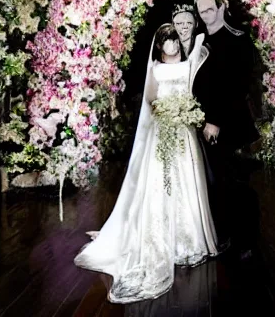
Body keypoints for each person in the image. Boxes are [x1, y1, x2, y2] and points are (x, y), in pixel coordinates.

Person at [74, 24, 218, 304]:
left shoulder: (188, 64)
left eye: (173, 39)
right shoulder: (155, 68)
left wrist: (185, 110)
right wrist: (164, 111)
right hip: (163, 129)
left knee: (187, 182)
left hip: (183, 132)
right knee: (161, 184)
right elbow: (151, 98)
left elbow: (200, 62)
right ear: (159, 45)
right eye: (165, 40)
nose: (170, 44)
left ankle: (189, 240)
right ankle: (161, 240)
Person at [193, 0, 260, 256]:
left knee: (235, 184)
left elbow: (238, 86)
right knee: (212, 184)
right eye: (202, 10)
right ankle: (223, 235)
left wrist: (216, 121)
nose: (206, 15)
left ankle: (246, 241)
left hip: (228, 125)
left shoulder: (238, 39)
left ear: (222, 8)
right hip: (201, 123)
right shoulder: (198, 41)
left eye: (211, 9)